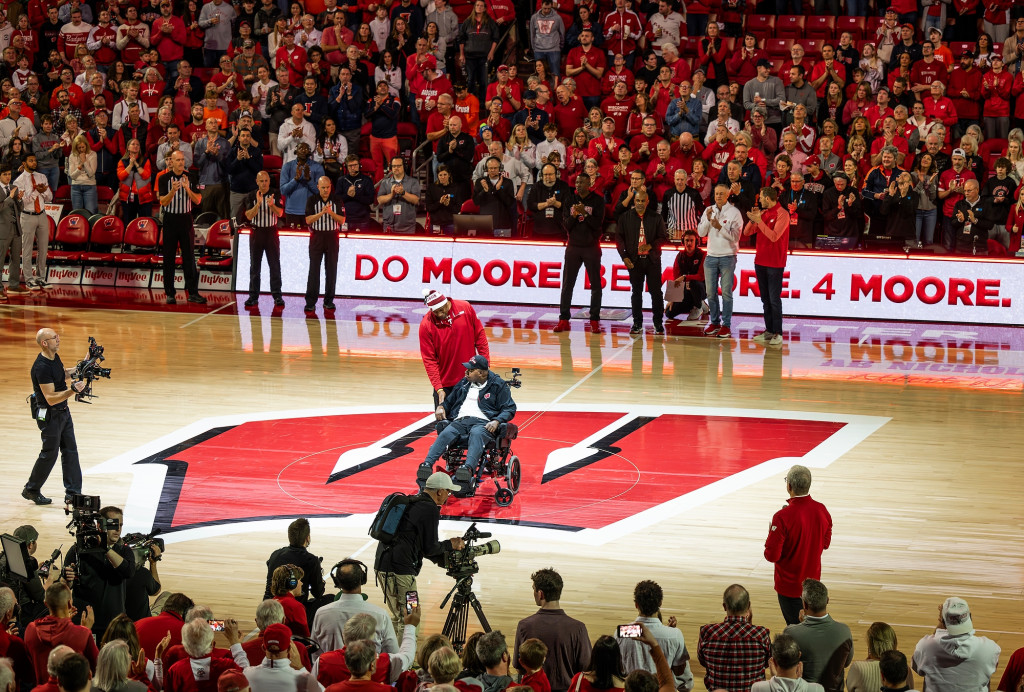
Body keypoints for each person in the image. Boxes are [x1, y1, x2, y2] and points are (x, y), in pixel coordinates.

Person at [373, 472, 466, 642]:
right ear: (439, 491)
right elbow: (430, 547)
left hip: (381, 567)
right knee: (412, 615)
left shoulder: (412, 502)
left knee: (397, 616)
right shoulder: (429, 509)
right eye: (448, 492)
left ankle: (393, 659)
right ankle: (405, 662)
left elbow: (419, 545)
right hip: (402, 574)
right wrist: (451, 544)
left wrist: (442, 560)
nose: (449, 496)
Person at [419, 355, 516, 489]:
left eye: (470, 370)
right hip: (460, 421)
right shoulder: (464, 383)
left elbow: (509, 408)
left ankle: (467, 469)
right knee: (447, 432)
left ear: (481, 373)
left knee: (476, 433)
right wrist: (441, 406)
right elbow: (449, 402)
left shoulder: (498, 385)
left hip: (483, 423)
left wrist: (497, 421)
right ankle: (426, 465)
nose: (466, 372)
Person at [23, 328, 88, 505]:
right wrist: (72, 390)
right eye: (54, 337)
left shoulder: (53, 358)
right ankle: (31, 489)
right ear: (45, 343)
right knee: (49, 454)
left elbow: (62, 374)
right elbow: (50, 398)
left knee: (70, 451)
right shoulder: (41, 367)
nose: (58, 339)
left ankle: (73, 493)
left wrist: (82, 366)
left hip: (63, 412)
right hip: (50, 415)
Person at [764, 465, 832, 626]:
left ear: (789, 486)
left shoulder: (782, 517)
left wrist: (771, 535)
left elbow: (771, 555)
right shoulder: (822, 510)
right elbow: (825, 544)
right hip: (813, 586)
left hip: (789, 588)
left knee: (796, 631)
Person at [513, 569, 589, 692]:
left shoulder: (524, 626)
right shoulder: (579, 628)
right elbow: (586, 668)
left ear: (540, 594)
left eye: (534, 589)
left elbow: (519, 667)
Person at [616, 581, 692, 691]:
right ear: (660, 603)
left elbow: (619, 668)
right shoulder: (675, 635)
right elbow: (679, 671)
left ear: (636, 604)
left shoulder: (622, 632)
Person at [912, 597, 1000, 692]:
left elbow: (918, 669)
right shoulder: (990, 648)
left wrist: (940, 623)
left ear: (943, 621)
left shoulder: (925, 647)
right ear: (970, 616)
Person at [553, 170, 604, 333]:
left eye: (581, 183)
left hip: (591, 247)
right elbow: (566, 225)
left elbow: (597, 225)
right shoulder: (569, 199)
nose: (578, 185)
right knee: (568, 284)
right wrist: (575, 215)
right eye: (576, 183)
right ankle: (563, 319)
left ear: (589, 185)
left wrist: (583, 213)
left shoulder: (598, 201)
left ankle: (594, 320)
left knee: (596, 284)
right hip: (573, 246)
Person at [419, 289, 489, 406]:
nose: (440, 314)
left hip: (471, 379)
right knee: (444, 423)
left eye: (442, 310)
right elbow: (429, 360)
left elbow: (480, 339)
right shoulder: (426, 325)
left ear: (447, 302)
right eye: (436, 312)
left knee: (473, 421)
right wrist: (438, 388)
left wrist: (485, 367)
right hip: (445, 386)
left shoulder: (465, 308)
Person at [311, 560, 397, 656]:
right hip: (370, 669)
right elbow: (392, 653)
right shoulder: (381, 614)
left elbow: (315, 652)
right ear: (363, 579)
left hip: (330, 669)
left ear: (337, 582)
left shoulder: (321, 613)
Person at [697, 584, 771, 692]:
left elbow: (703, 661)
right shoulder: (761, 634)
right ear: (748, 605)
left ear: (724, 606)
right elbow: (767, 662)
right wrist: (750, 626)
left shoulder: (707, 633)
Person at [615, 188, 667, 335]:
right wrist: (624, 256)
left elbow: (663, 237)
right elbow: (619, 238)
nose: (639, 203)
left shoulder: (656, 217)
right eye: (637, 200)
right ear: (634, 201)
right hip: (634, 261)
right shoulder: (625, 217)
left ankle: (658, 323)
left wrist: (650, 245)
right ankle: (637, 323)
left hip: (652, 260)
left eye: (642, 201)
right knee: (636, 293)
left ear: (647, 202)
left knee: (656, 293)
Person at [783, 579, 853, 689]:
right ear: (827, 601)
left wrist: (803, 623)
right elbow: (846, 663)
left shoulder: (791, 633)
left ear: (804, 604)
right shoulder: (844, 631)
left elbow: (786, 668)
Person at [158, 150, 206, 305]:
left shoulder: (191, 177)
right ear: (171, 161)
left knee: (189, 257)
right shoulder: (164, 178)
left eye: (182, 160)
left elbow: (198, 200)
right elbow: (163, 202)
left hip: (186, 220)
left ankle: (193, 292)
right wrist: (173, 190)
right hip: (170, 220)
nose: (180, 162)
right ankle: (170, 293)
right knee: (169, 258)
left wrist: (186, 188)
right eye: (177, 160)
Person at [743, 187, 790, 346]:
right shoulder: (763, 214)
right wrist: (752, 220)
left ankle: (778, 332)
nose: (759, 200)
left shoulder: (783, 214)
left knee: (774, 299)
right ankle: (769, 330)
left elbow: (774, 237)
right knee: (765, 299)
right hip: (760, 261)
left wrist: (759, 221)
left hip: (775, 263)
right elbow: (747, 233)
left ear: (768, 199)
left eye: (761, 198)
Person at [24, 583, 98, 684]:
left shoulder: (31, 629)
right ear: (69, 604)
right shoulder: (83, 633)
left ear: (46, 603)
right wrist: (85, 629)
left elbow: (28, 669)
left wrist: (65, 622)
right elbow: (96, 668)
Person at [696, 184, 743, 339]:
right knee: (710, 293)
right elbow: (701, 232)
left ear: (728, 194)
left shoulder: (735, 213)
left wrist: (719, 227)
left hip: (728, 256)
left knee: (727, 293)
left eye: (722, 194)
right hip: (710, 256)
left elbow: (736, 237)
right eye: (716, 194)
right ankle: (714, 322)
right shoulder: (709, 210)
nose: (718, 196)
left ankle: (726, 325)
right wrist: (709, 220)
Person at [263, 518, 328, 628]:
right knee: (328, 600)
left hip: (267, 607)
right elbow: (318, 593)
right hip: (291, 610)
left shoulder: (275, 554)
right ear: (307, 538)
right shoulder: (311, 560)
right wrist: (319, 577)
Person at [240, 171, 284, 309]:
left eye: (266, 181)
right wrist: (258, 204)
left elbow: (280, 213)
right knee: (255, 266)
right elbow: (248, 215)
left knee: (274, 265)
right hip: (256, 232)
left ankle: (277, 296)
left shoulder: (275, 193)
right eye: (261, 181)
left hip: (271, 232)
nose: (264, 183)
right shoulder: (251, 195)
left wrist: (271, 205)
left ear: (269, 182)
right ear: (257, 182)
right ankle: (253, 296)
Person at [303, 176, 345, 313]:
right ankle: (310, 302)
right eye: (323, 187)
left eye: (327, 187)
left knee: (331, 270)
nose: (326, 190)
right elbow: (308, 220)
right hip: (317, 237)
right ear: (318, 187)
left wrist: (330, 212)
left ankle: (329, 301)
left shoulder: (337, 200)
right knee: (314, 270)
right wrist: (321, 212)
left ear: (330, 186)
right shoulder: (312, 200)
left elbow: (342, 220)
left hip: (332, 237)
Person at [240, 623, 320, 692]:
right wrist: (301, 668)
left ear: (263, 648)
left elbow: (241, 663)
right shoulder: (303, 680)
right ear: (289, 649)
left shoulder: (247, 674)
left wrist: (235, 644)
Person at [750, 634, 824, 692]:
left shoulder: (758, 688)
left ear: (773, 661)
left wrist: (774, 677)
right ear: (799, 655)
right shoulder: (817, 689)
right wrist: (799, 681)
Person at [0, 166, 26, 301]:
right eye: (5, 174)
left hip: (16, 228)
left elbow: (19, 208)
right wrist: (10, 198)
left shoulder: (13, 187)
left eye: (9, 174)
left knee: (16, 259)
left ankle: (14, 285)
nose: (8, 177)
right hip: (2, 229)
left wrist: (19, 199)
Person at [472, 156, 515, 235]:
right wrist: (484, 191)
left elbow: (510, 203)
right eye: (490, 168)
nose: (492, 170)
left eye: (495, 168)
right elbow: (476, 202)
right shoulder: (480, 182)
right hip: (485, 225)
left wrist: (499, 190)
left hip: (503, 225)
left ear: (500, 168)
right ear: (486, 169)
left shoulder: (507, 182)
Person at [377, 156, 420, 234]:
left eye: (398, 166)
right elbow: (380, 200)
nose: (396, 168)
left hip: (408, 227)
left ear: (404, 166)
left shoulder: (413, 182)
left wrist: (403, 193)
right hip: (389, 226)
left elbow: (416, 200)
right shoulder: (385, 182)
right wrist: (391, 195)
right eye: (394, 166)